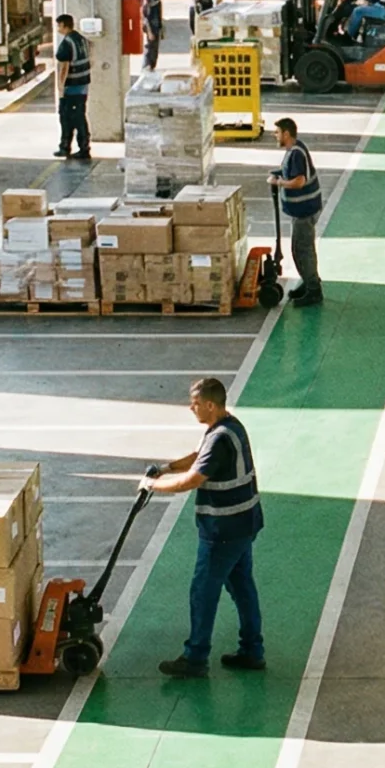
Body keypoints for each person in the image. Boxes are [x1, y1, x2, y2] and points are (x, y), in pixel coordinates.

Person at [150, 377, 266, 679]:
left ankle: (195, 656)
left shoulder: (219, 439)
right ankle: (252, 650)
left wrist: (153, 485)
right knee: (242, 586)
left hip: (223, 530)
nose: (192, 408)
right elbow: (196, 457)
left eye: (196, 403)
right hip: (244, 523)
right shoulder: (228, 427)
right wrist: (166, 468)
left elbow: (193, 479)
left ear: (211, 405)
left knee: (203, 590)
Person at [269, 118, 324, 306]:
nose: (275, 136)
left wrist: (279, 182)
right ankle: (308, 282)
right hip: (301, 210)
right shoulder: (294, 150)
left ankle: (314, 290)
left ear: (286, 133)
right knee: (299, 249)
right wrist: (279, 174)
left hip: (305, 211)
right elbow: (290, 172)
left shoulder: (296, 153)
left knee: (303, 250)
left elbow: (299, 181)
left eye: (277, 132)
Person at [53, 14, 92, 161]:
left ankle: (68, 147)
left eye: (58, 25)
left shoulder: (66, 44)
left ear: (64, 25)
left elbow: (64, 68)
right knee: (79, 115)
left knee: (67, 116)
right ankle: (82, 147)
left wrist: (61, 87)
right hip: (83, 84)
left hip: (72, 86)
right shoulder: (81, 39)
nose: (58, 29)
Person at [135, 0, 166, 69]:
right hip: (151, 24)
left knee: (152, 49)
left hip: (153, 23)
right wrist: (149, 31)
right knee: (150, 50)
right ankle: (147, 68)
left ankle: (149, 68)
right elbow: (147, 12)